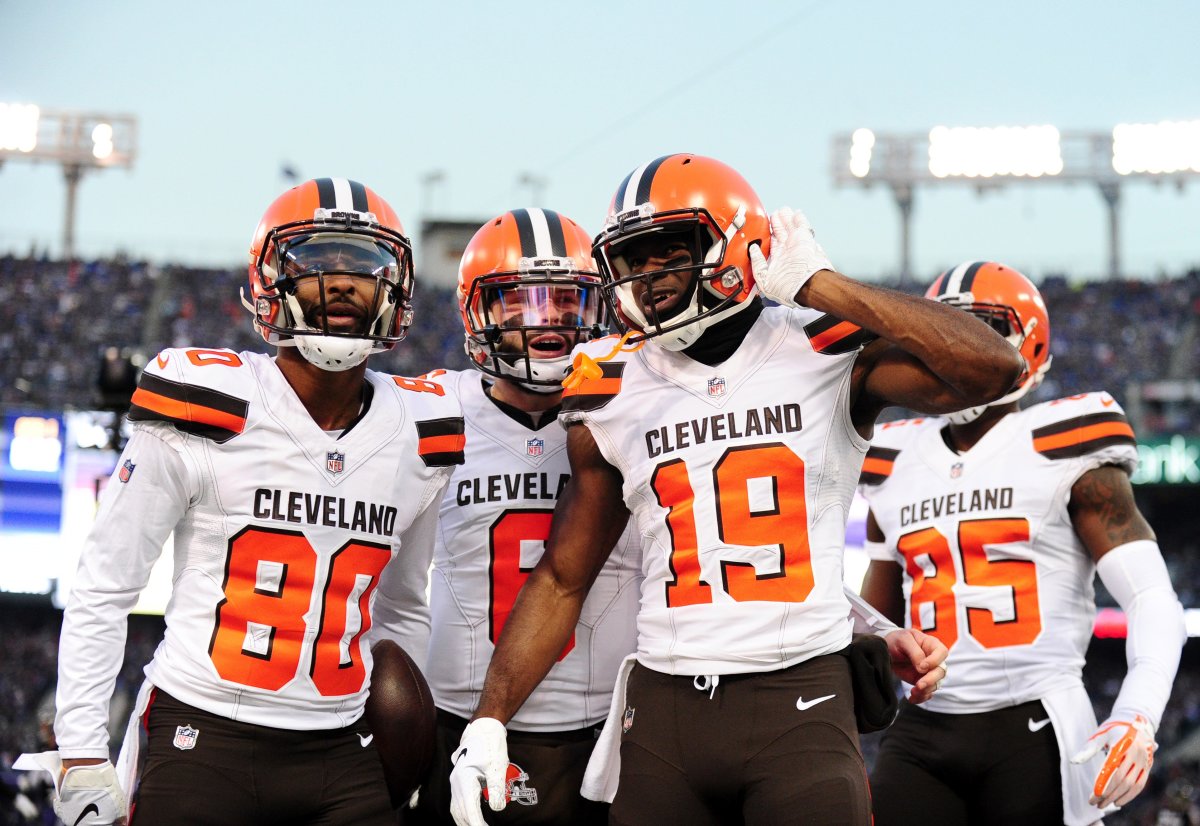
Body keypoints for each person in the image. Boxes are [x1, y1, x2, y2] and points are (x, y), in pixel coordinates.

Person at [447, 153, 1024, 826]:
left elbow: (994, 371)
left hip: (799, 697)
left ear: (737, 244)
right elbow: (563, 578)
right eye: (632, 260)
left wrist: (822, 285)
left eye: (669, 252)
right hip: (664, 711)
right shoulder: (609, 384)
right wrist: (489, 719)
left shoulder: (824, 348)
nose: (648, 278)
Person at [17, 178, 465, 826]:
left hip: (341, 748)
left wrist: (407, 731)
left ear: (392, 293)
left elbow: (402, 610)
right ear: (269, 283)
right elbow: (106, 582)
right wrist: (83, 750)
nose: (342, 285)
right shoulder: (207, 399)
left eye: (363, 270)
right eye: (317, 266)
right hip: (204, 735)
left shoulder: (418, 429)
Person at [857, 260, 1187, 826]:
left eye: (981, 334)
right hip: (922, 727)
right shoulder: (891, 456)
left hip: (1037, 725)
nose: (958, 353)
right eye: (945, 334)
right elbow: (875, 622)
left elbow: (1153, 597)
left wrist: (1138, 712)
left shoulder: (1068, 445)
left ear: (1026, 346)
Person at [406, 208, 642, 825]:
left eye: (570, 301)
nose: (551, 319)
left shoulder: (636, 405)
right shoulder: (430, 410)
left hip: (601, 728)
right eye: (525, 301)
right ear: (477, 313)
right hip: (456, 719)